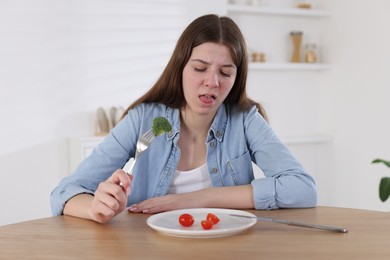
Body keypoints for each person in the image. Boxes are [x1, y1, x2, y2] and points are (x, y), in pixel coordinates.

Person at [51, 14, 317, 223]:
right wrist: (96, 207)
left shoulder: (245, 120)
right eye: (200, 68)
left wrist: (199, 199)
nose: (212, 82)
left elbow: (303, 189)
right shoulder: (145, 120)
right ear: (180, 67)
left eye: (225, 73)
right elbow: (65, 192)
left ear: (237, 78)